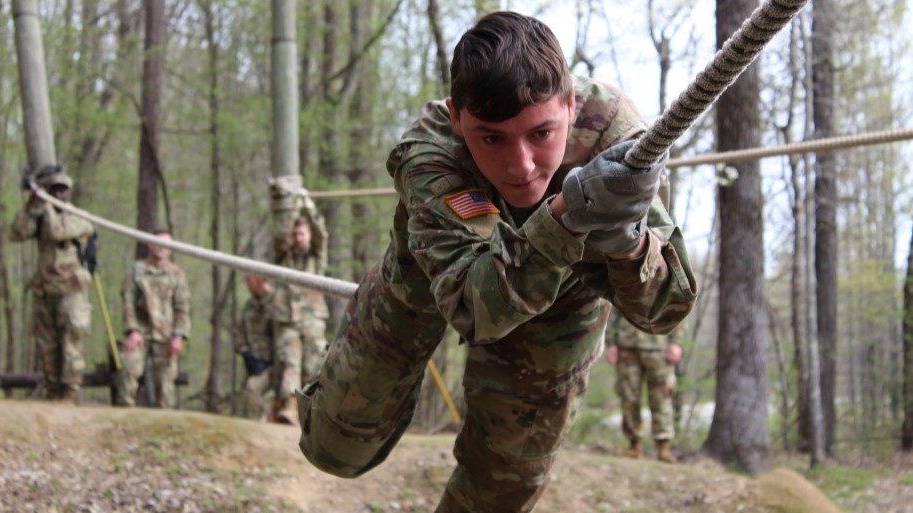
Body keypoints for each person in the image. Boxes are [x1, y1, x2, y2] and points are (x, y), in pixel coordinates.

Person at [296, 11, 697, 513]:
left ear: (571, 105)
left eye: (542, 133)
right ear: (458, 117)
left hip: (565, 300)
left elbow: (665, 310)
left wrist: (628, 244)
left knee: (502, 490)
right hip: (431, 276)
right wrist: (567, 216)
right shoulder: (432, 152)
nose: (522, 164)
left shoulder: (615, 138)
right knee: (335, 451)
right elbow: (472, 306)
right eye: (492, 138)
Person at [10, 167, 96, 403]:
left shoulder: (81, 218)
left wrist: (45, 204)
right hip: (45, 289)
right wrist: (31, 204)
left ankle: (68, 396)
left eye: (62, 190)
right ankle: (53, 395)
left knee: (71, 346)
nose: (58, 195)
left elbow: (58, 232)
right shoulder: (40, 216)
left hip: (72, 291)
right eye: (53, 190)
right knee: (47, 345)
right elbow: (16, 233)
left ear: (69, 192)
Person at [116, 230, 191, 408]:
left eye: (166, 245)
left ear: (171, 249)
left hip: (166, 337)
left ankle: (164, 426)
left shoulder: (177, 274)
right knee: (129, 368)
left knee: (166, 387)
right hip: (140, 333)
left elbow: (183, 308)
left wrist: (179, 336)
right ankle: (122, 419)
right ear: (150, 244)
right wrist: (132, 330)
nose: (161, 248)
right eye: (157, 243)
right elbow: (128, 302)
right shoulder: (135, 270)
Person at [606, 311, 682, 463]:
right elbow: (613, 309)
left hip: (658, 346)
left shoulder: (665, 285)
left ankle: (664, 447)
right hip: (627, 346)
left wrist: (676, 342)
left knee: (661, 397)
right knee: (629, 397)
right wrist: (611, 343)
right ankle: (634, 446)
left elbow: (678, 306)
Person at [235, 272, 303, 423]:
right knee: (249, 393)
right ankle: (254, 426)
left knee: (253, 388)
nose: (247, 284)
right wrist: (247, 354)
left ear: (260, 279)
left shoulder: (277, 305)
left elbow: (286, 338)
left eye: (249, 279)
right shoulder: (249, 307)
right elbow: (239, 334)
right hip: (255, 363)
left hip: (276, 364)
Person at [279, 213, 329, 386]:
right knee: (290, 363)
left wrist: (307, 207)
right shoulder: (284, 256)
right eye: (295, 235)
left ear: (309, 235)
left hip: (313, 318)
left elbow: (321, 236)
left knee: (314, 366)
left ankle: (310, 407)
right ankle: (290, 405)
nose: (298, 238)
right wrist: (292, 209)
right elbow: (280, 235)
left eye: (302, 234)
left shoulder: (316, 256)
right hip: (290, 319)